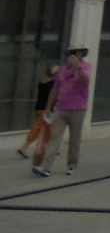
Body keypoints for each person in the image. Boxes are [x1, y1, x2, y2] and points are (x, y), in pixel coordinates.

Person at [32, 44, 93, 178]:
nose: (72, 56)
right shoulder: (62, 70)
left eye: (75, 53)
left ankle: (72, 165)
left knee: (74, 139)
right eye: (70, 53)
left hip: (78, 108)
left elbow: (85, 82)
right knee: (54, 137)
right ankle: (46, 167)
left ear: (81, 54)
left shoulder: (86, 67)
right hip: (61, 108)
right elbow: (55, 89)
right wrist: (48, 107)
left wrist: (78, 67)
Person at [17, 66, 57, 160]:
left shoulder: (41, 82)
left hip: (39, 107)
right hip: (46, 110)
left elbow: (36, 95)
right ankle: (24, 148)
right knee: (40, 129)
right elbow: (54, 97)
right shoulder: (53, 84)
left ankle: (49, 149)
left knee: (45, 129)